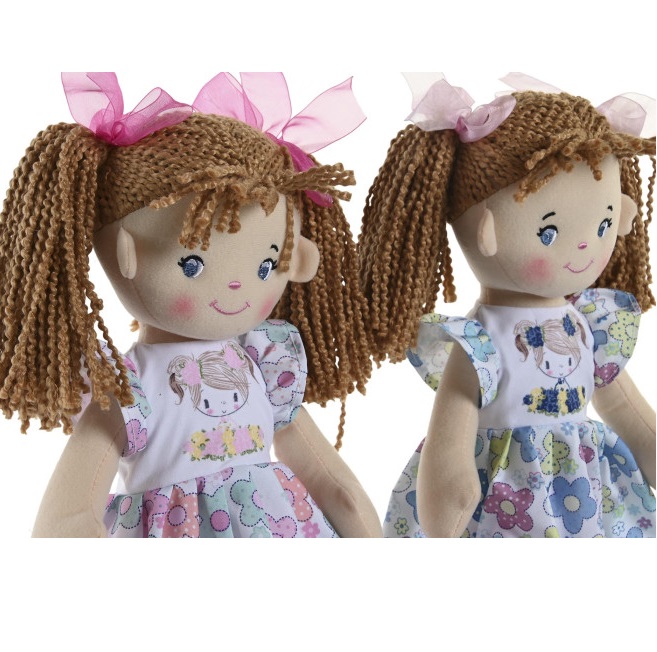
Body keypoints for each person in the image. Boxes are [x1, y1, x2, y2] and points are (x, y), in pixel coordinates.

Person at [0, 72, 380, 538]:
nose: (238, 286)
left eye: (266, 267)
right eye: (193, 264)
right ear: (125, 251)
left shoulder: (263, 364)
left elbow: (335, 486)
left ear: (296, 259)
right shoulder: (130, 389)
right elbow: (69, 517)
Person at [359, 74, 655, 537]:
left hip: (592, 496)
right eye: (548, 232)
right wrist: (452, 492)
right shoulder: (480, 339)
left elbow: (625, 409)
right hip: (505, 501)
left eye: (603, 225)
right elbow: (453, 429)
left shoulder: (590, 323)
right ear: (486, 228)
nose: (585, 246)